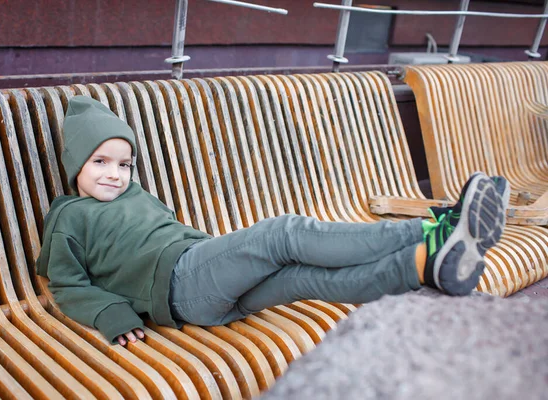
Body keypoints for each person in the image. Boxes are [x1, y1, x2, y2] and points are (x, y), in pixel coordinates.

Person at [36, 96, 507, 346]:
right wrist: (112, 316)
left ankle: (425, 264)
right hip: (183, 285)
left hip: (205, 287)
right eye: (100, 162)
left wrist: (216, 253)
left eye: (125, 163)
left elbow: (171, 236)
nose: (115, 175)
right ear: (76, 163)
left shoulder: (138, 196)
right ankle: (431, 229)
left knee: (303, 279)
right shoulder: (70, 218)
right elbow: (66, 284)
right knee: (283, 234)